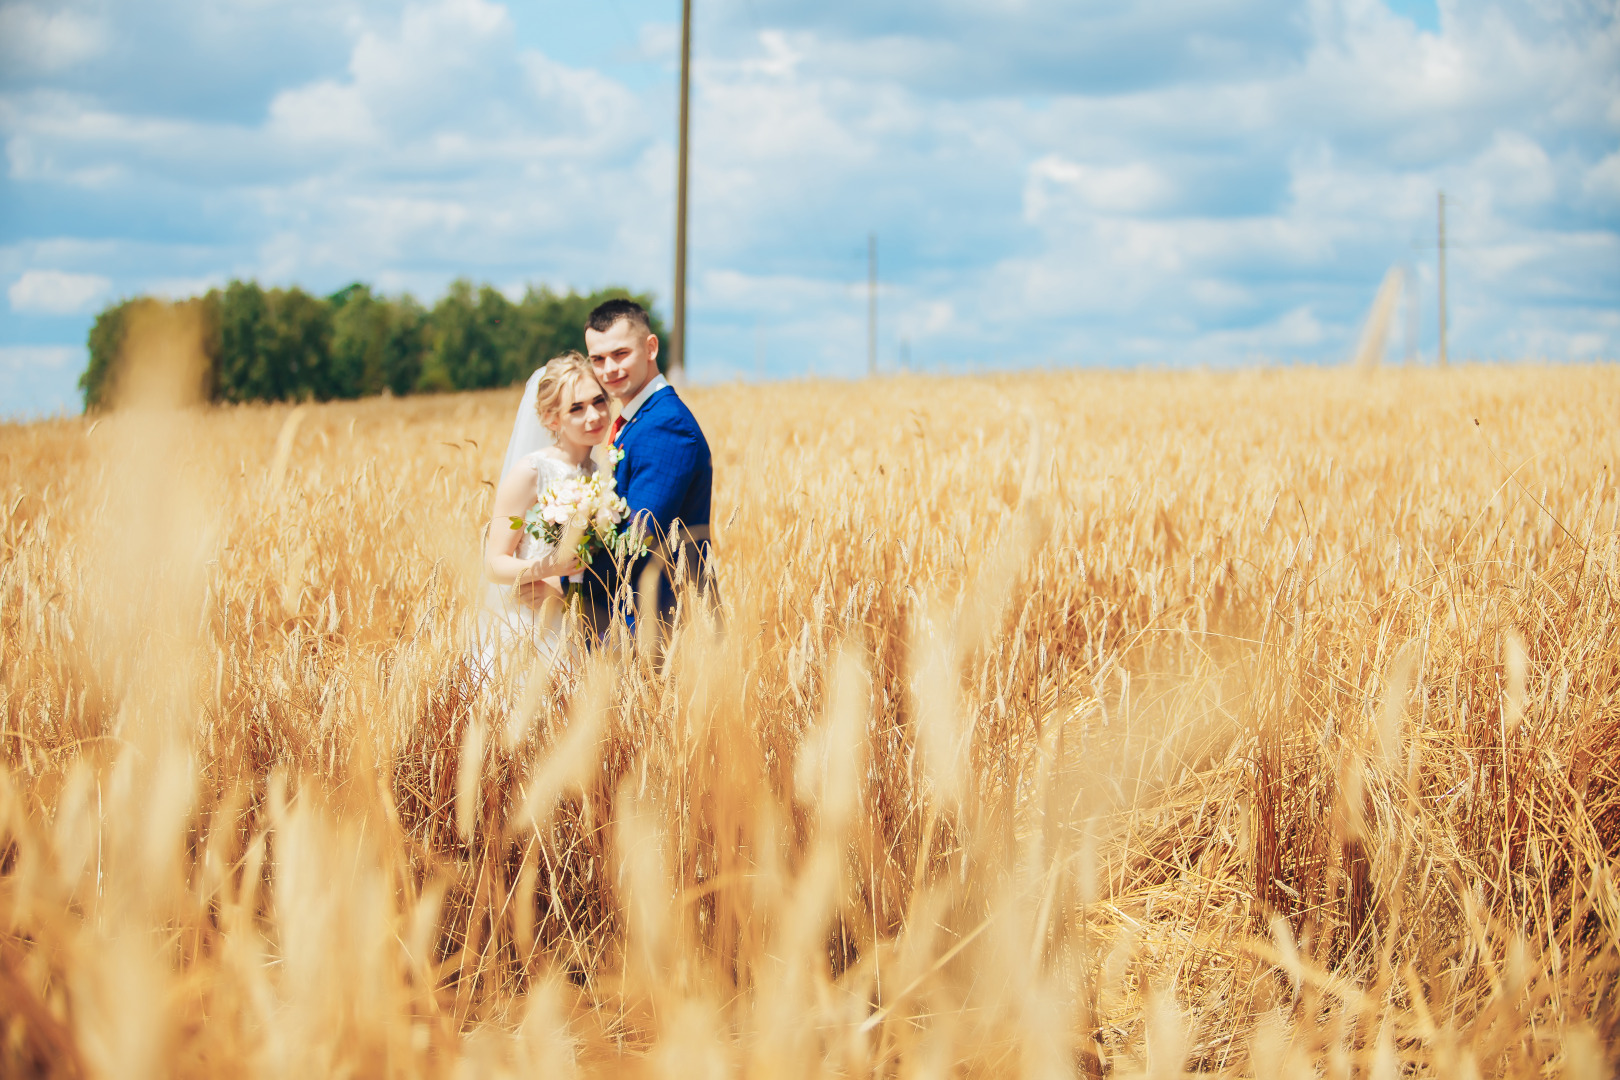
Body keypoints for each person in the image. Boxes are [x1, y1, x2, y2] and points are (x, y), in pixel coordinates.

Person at [583, 298, 714, 637]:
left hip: (660, 625)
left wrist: (562, 571)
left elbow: (637, 539)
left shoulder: (665, 425)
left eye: (620, 354)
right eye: (597, 359)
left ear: (651, 347)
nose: (609, 369)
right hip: (633, 621)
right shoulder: (638, 419)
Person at [481, 352, 613, 662]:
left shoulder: (603, 476)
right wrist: (549, 569)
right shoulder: (531, 472)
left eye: (599, 401)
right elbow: (494, 564)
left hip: (587, 627)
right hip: (534, 629)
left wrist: (567, 593)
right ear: (552, 419)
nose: (593, 416)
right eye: (576, 408)